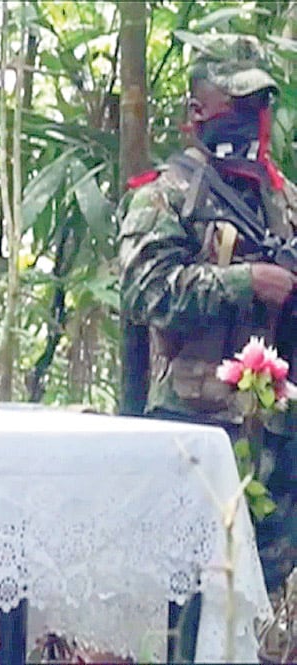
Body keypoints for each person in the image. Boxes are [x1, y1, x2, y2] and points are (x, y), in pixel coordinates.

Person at [119, 34, 296, 600]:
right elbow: (145, 291)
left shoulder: (283, 198)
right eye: (238, 105)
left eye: (260, 106)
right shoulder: (165, 197)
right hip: (193, 429)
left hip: (277, 435)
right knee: (186, 598)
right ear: (198, 112)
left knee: (262, 601)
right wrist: (247, 281)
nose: (252, 119)